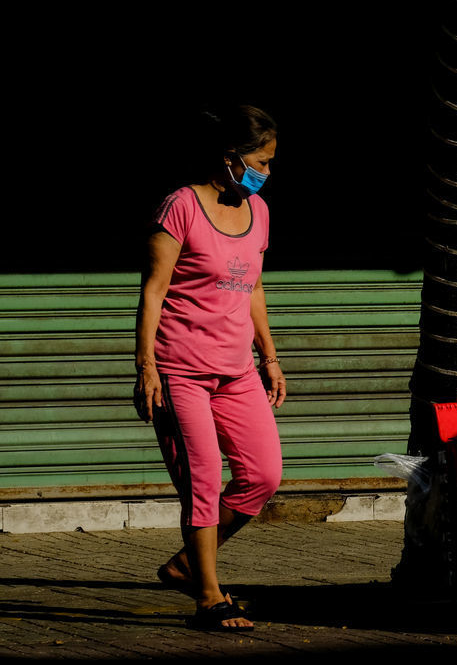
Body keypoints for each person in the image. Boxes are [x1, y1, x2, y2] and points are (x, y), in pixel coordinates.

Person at [133, 105, 286, 631]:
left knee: (263, 475)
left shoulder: (257, 212)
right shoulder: (180, 207)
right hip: (181, 371)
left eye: (269, 163)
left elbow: (254, 289)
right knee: (202, 481)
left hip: (236, 371)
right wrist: (146, 366)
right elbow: (153, 292)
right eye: (261, 162)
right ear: (230, 158)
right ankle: (208, 597)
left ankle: (187, 564)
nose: (266, 172)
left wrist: (270, 358)